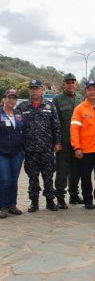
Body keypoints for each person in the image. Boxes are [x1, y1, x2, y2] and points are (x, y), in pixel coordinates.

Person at [17, 80, 62, 212]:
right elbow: (17, 127)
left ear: (41, 90)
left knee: (48, 177)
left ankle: (50, 201)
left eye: (37, 88)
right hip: (30, 150)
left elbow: (56, 126)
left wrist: (58, 142)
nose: (34, 91)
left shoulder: (49, 106)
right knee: (32, 177)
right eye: (32, 88)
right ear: (29, 91)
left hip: (47, 149)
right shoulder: (22, 107)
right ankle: (34, 202)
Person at [70, 80, 95, 210]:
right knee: (86, 177)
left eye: (94, 89)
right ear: (85, 92)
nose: (92, 92)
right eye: (89, 89)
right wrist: (77, 147)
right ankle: (88, 200)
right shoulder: (79, 109)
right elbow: (74, 130)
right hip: (85, 150)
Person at [53, 73, 84, 208]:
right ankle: (60, 197)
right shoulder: (57, 100)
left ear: (76, 84)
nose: (71, 84)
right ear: (63, 84)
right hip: (64, 142)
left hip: (78, 142)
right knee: (62, 171)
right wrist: (57, 142)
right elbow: (55, 123)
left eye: (73, 82)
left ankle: (74, 195)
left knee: (76, 171)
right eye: (68, 82)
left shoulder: (81, 99)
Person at [0, 89, 24, 219]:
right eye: (9, 97)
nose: (12, 100)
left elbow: (24, 130)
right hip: (2, 153)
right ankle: (2, 207)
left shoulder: (18, 114)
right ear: (4, 99)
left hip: (17, 152)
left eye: (14, 98)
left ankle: (12, 205)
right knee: (5, 179)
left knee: (14, 180)